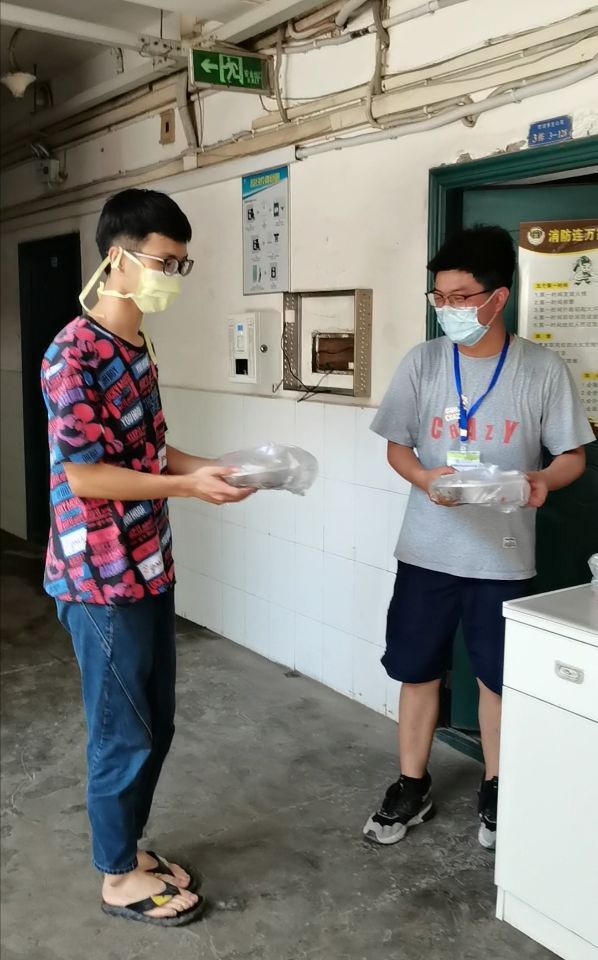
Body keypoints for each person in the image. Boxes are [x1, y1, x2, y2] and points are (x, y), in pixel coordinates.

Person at [41, 188, 254, 926]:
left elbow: (149, 451)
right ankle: (116, 876)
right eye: (164, 261)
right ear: (117, 258)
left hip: (148, 566)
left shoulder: (137, 348)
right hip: (99, 578)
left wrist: (210, 468)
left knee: (154, 724)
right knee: (120, 731)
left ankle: (128, 851)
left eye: (180, 264)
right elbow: (87, 475)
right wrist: (188, 488)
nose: (171, 276)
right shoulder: (71, 353)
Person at [363, 225, 594, 850]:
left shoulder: (541, 369)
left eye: (461, 297)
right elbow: (397, 446)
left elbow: (572, 456)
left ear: (498, 297)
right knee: (417, 670)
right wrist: (424, 477)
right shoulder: (423, 362)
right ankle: (411, 785)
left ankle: (497, 786)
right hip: (426, 552)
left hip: (503, 558)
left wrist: (540, 481)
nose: (449, 310)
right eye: (440, 298)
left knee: (498, 678)